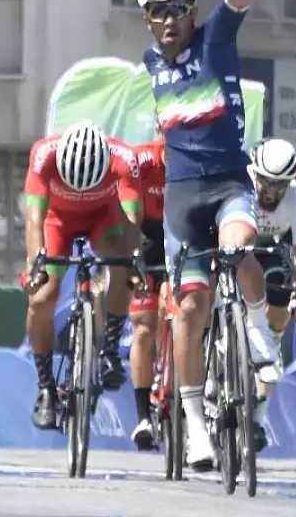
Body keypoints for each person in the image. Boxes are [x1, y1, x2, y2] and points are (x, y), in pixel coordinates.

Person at [137, 0, 270, 472]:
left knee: (240, 247)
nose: (170, 20)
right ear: (148, 21)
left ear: (193, 14)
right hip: (182, 198)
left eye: (179, 10)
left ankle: (259, 332)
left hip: (229, 182)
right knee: (189, 309)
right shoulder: (151, 62)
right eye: (158, 13)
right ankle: (195, 426)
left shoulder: (215, 38)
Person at [20, 121, 142, 431]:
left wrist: (131, 261)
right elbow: (34, 220)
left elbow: (132, 220)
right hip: (57, 222)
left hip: (105, 219)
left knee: (122, 266)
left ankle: (110, 349)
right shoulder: (43, 155)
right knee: (43, 297)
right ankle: (45, 387)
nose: (81, 191)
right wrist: (36, 266)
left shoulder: (124, 159)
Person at [246, 137, 296, 446]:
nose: (269, 191)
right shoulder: (241, 183)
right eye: (264, 181)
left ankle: (259, 415)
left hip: (274, 248)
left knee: (281, 290)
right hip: (241, 242)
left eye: (279, 185)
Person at [128, 131, 168, 450]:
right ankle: (143, 416)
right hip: (145, 235)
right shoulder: (142, 160)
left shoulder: (197, 161)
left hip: (181, 236)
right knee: (144, 324)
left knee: (183, 316)